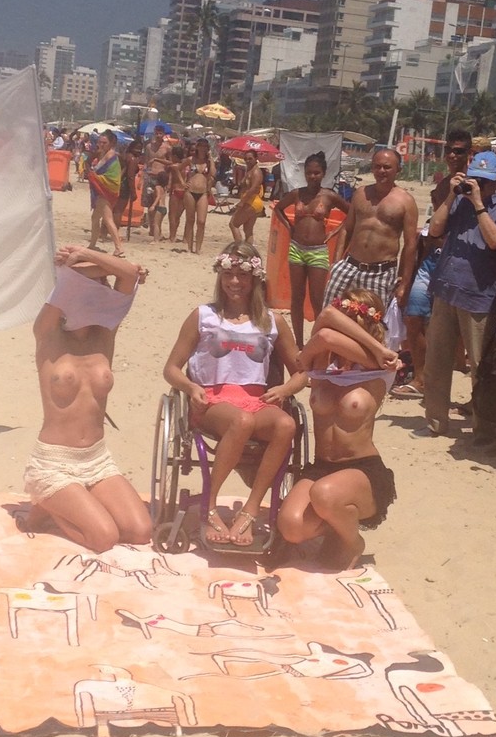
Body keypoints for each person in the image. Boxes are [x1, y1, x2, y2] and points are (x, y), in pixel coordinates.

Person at [163, 242, 307, 546]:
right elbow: (171, 369)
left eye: (242, 275)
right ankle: (209, 505)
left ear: (255, 278)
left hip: (254, 399)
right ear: (220, 275)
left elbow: (302, 371)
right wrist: (190, 387)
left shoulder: (270, 321)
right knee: (241, 421)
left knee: (286, 426)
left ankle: (251, 509)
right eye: (228, 274)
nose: (234, 282)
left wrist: (285, 388)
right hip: (213, 400)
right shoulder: (203, 316)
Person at [22, 245, 152, 552]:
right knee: (103, 537)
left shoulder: (105, 334)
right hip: (54, 462)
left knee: (140, 531)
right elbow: (123, 272)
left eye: (102, 286)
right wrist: (94, 267)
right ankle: (48, 502)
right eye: (88, 285)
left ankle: (69, 501)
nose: (97, 293)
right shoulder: (48, 331)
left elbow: (130, 274)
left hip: (97, 459)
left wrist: (85, 255)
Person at [278, 290, 398, 570]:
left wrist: (378, 349)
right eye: (346, 322)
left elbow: (325, 336)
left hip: (362, 471)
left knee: (325, 494)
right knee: (292, 527)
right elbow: (327, 319)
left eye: (354, 322)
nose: (345, 327)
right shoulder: (324, 364)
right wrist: (309, 356)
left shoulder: (379, 366)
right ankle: (334, 527)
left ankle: (353, 542)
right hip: (322, 467)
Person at [414, 151, 496, 438]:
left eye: (483, 182)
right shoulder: (458, 202)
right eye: (475, 180)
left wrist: (478, 205)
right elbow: (434, 229)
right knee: (437, 362)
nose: (478, 186)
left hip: (478, 299)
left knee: (478, 369)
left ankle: (483, 429)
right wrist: (451, 196)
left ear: (495, 181)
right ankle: (435, 422)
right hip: (446, 291)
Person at [392, 130, 472, 398]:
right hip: (433, 259)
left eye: (459, 151)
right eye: (449, 149)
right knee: (413, 317)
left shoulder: (478, 184)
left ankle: (458, 385)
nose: (452, 155)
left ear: (469, 154)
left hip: (459, 262)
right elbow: (436, 227)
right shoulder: (442, 185)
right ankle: (421, 378)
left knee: (455, 328)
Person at [323, 149, 418, 311]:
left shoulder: (406, 202)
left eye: (387, 167)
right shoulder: (361, 193)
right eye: (377, 166)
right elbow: (347, 228)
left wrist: (404, 283)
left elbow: (410, 245)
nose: (381, 171)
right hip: (349, 266)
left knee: (373, 325)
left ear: (398, 169)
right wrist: (336, 263)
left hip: (380, 273)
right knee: (330, 313)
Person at [274, 151, 350, 348]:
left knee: (317, 300)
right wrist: (289, 227)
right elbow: (278, 208)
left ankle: (317, 342)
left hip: (317, 251)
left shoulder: (330, 196)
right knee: (296, 299)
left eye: (316, 173)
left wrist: (335, 233)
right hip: (296, 249)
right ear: (304, 173)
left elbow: (352, 213)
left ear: (323, 173)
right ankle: (299, 343)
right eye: (309, 173)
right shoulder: (297, 194)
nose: (312, 176)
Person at [86, 130, 125, 257]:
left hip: (106, 191)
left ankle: (119, 247)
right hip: (102, 190)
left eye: (104, 142)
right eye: (100, 142)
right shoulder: (103, 154)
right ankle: (92, 244)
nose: (101, 144)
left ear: (111, 143)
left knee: (108, 219)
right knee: (95, 218)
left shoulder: (110, 154)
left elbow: (110, 176)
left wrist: (94, 176)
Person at [183, 137, 215, 254]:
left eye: (205, 146)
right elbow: (177, 169)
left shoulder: (209, 162)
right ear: (197, 147)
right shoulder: (191, 160)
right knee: (190, 220)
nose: (202, 148)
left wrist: (211, 158)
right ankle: (190, 247)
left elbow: (213, 174)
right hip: (190, 191)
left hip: (203, 193)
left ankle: (198, 248)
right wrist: (183, 183)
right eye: (200, 145)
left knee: (201, 221)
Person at [229, 150, 265, 245]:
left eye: (250, 158)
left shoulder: (256, 172)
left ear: (256, 159)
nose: (247, 161)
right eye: (246, 159)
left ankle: (239, 248)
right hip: (254, 203)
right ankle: (249, 252)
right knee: (248, 230)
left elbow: (254, 188)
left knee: (233, 224)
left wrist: (242, 202)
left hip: (251, 202)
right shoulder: (250, 170)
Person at [143, 125, 172, 228]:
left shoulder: (167, 147)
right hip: (150, 176)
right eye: (157, 133)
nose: (158, 135)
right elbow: (146, 162)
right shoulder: (149, 147)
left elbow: (170, 162)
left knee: (159, 203)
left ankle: (157, 227)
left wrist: (157, 160)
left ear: (163, 134)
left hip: (161, 177)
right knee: (150, 203)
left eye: (160, 133)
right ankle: (151, 227)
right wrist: (143, 176)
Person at [113, 138, 142, 231]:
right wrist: (133, 192)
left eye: (140, 149)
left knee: (112, 210)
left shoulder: (125, 156)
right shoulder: (132, 159)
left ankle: (104, 232)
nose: (138, 150)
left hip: (117, 183)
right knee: (118, 211)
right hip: (124, 185)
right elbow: (130, 176)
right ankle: (115, 232)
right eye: (137, 148)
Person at [167, 144, 189, 243]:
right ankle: (175, 235)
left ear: (175, 156)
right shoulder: (186, 165)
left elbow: (167, 164)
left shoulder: (174, 166)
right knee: (178, 216)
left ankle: (172, 236)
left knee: (172, 215)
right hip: (184, 191)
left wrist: (155, 159)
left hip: (176, 191)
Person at [148, 173, 168, 243]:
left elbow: (158, 196)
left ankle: (156, 240)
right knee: (159, 224)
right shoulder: (164, 188)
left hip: (159, 207)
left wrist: (153, 205)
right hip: (164, 208)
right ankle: (159, 236)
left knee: (155, 224)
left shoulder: (157, 186)